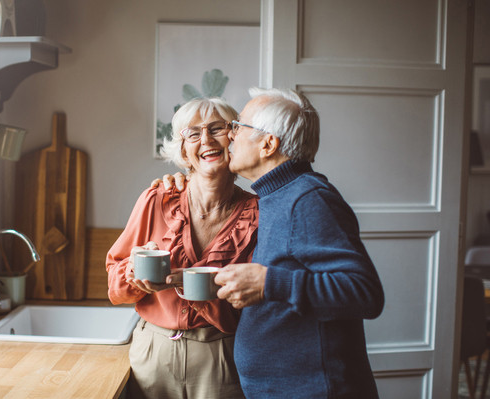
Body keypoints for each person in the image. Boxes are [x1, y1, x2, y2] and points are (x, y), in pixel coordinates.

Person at [159, 88, 385, 398]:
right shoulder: (276, 196)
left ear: (268, 144)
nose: (231, 135)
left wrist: (269, 283)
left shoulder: (308, 199)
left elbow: (365, 293)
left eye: (239, 126)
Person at [106, 97, 259, 399]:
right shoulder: (157, 198)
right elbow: (114, 283)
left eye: (217, 128)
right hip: (154, 353)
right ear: (184, 151)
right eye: (193, 133)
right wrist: (133, 273)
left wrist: (203, 288)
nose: (206, 140)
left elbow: (258, 306)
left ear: (234, 138)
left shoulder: (257, 214)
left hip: (222, 356)